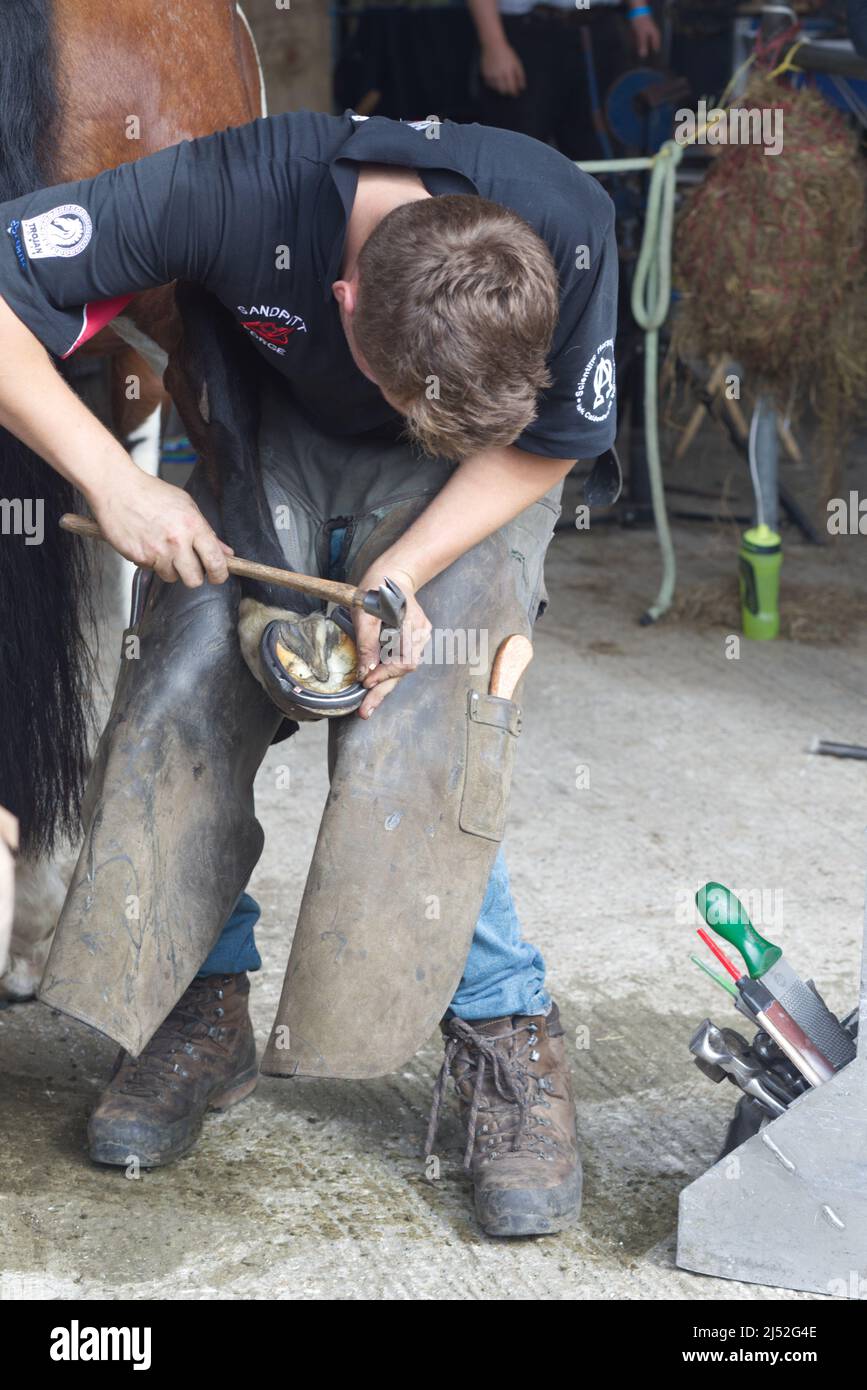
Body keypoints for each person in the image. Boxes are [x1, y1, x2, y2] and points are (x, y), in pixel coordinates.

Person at [0, 110, 617, 1237]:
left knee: (432, 711)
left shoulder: (568, 220)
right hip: (273, 437)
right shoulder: (230, 187)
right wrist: (116, 481)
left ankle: (502, 1028)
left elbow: (553, 440)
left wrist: (404, 569)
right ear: (341, 305)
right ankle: (200, 999)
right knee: (181, 679)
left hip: (476, 475)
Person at [469, 0, 661, 159]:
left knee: (602, 154)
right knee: (517, 153)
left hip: (602, 27)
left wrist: (639, 10)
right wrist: (494, 44)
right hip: (527, 32)